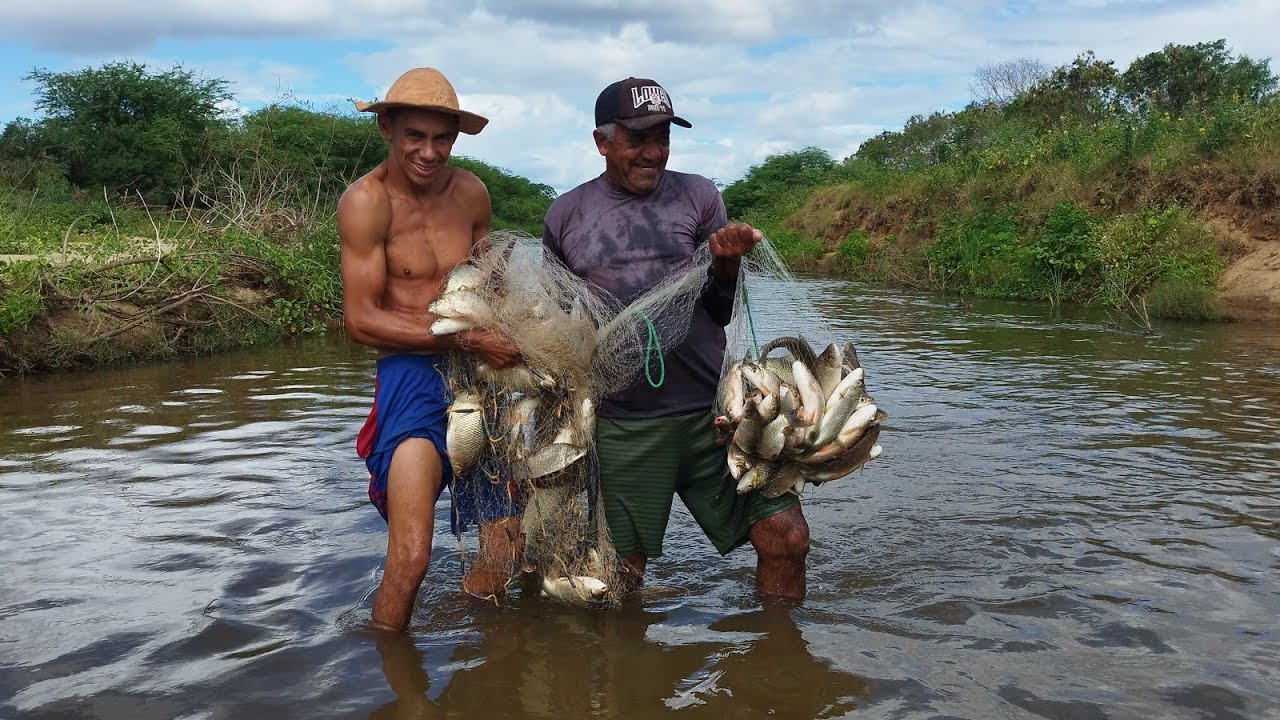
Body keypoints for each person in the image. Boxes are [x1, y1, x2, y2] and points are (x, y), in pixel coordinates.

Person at [541, 78, 810, 599]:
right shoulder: (566, 215)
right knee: (621, 578)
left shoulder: (699, 195)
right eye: (637, 138)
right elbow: (557, 329)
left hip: (715, 418)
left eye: (662, 137)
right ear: (601, 142)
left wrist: (725, 263)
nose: (653, 152)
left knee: (787, 537)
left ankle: (779, 648)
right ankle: (627, 654)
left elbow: (720, 310)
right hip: (624, 425)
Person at [340, 67, 523, 632]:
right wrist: (466, 337)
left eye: (442, 138)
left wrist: (515, 331)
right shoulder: (366, 202)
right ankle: (386, 664)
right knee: (412, 556)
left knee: (505, 551)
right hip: (411, 378)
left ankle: (478, 656)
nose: (429, 151)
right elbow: (361, 319)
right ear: (387, 129)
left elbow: (489, 286)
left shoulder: (471, 193)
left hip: (481, 376)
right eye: (415, 136)